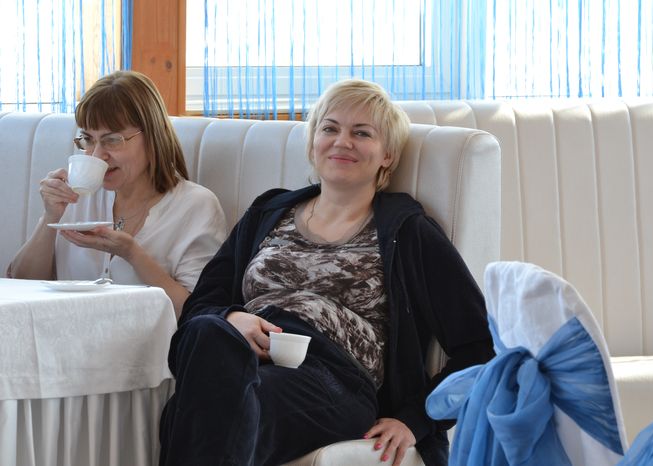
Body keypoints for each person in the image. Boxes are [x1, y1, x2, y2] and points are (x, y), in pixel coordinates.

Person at [158, 79, 494, 466]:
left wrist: (416, 420)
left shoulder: (408, 231)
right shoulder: (268, 212)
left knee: (204, 407)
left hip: (334, 379)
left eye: (361, 133)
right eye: (330, 128)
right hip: (246, 360)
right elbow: (201, 304)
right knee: (208, 335)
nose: (342, 141)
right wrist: (232, 317)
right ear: (313, 143)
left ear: (387, 155)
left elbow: (480, 346)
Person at [6, 70, 227, 316]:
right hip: (63, 334)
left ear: (153, 137)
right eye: (88, 139)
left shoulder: (196, 206)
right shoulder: (77, 196)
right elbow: (21, 288)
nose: (96, 155)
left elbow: (196, 313)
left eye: (112, 140)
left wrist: (132, 253)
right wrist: (50, 216)